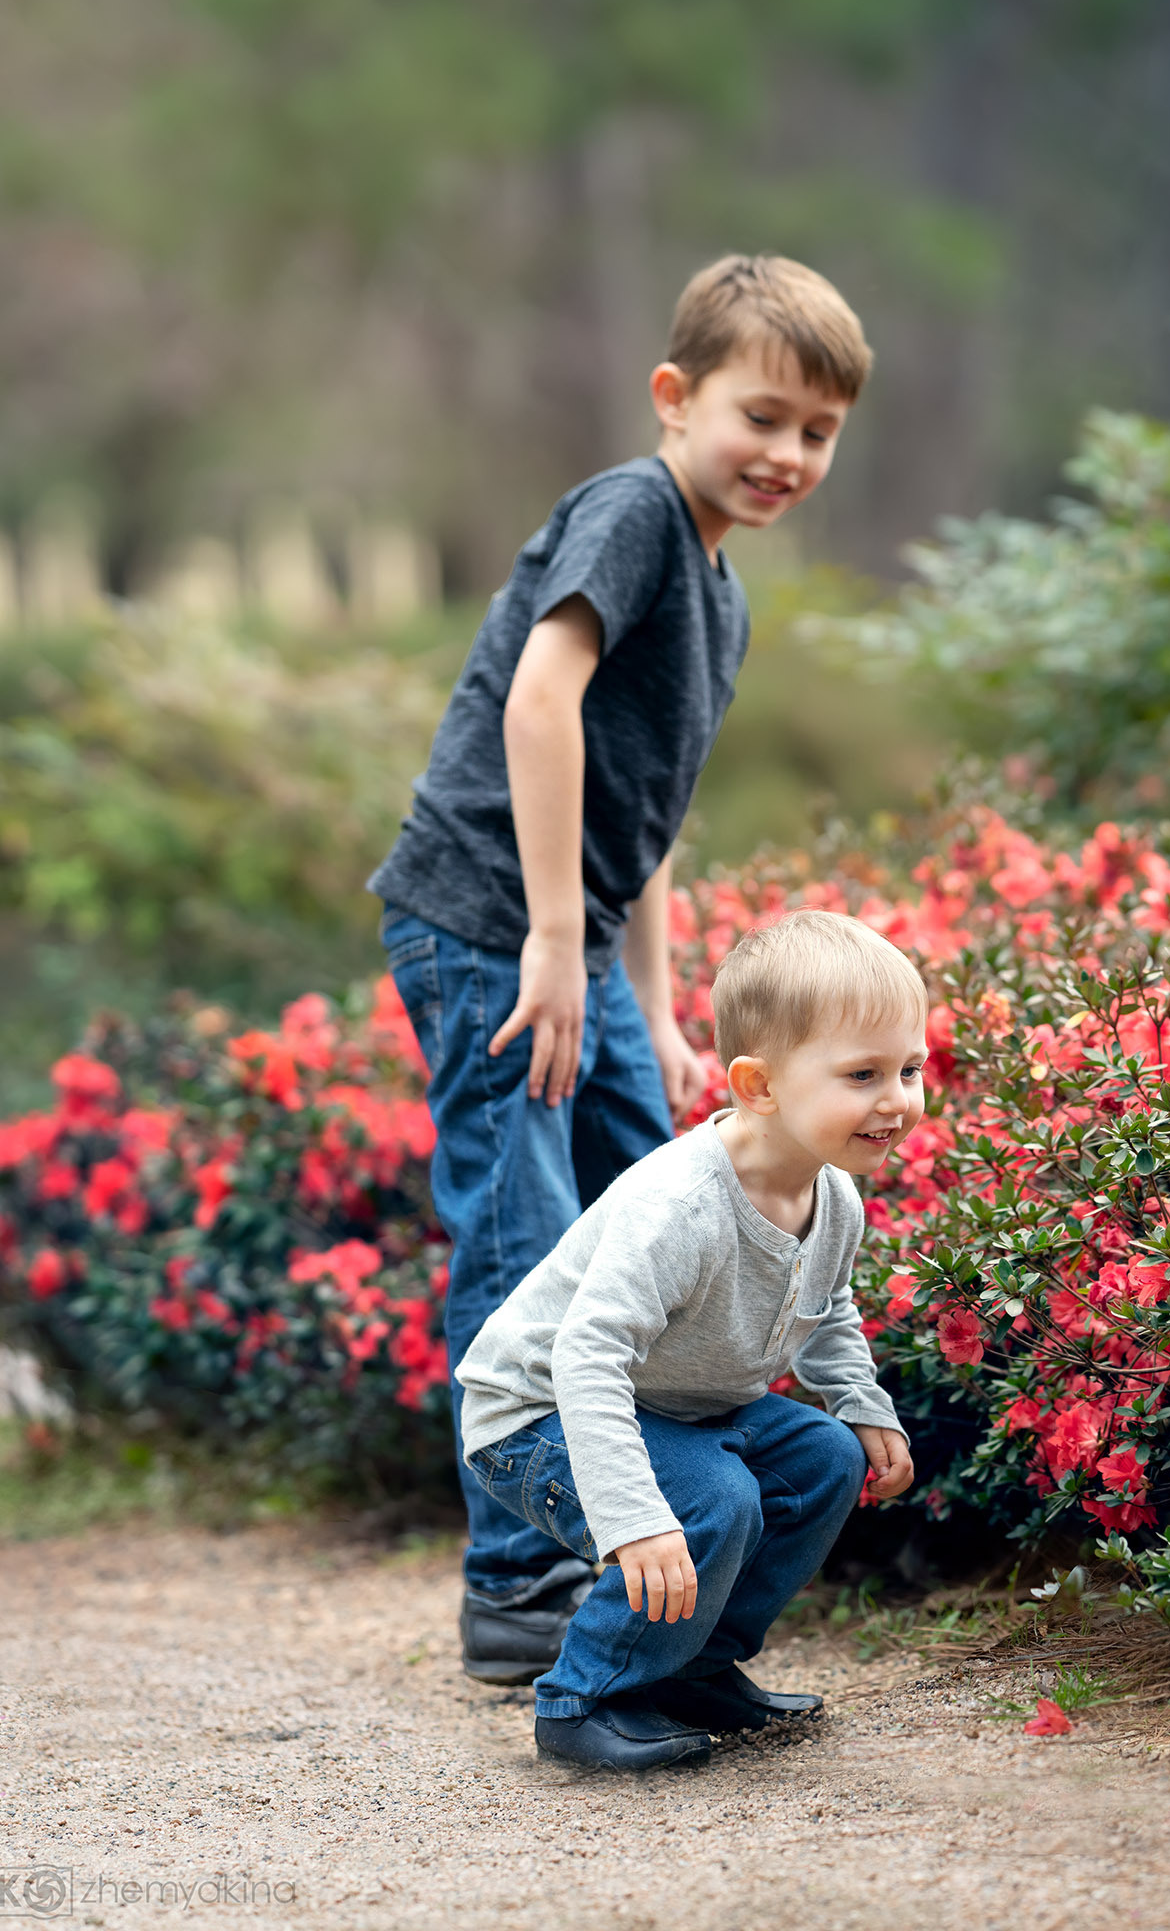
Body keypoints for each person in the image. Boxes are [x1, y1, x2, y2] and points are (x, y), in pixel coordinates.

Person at [368, 255, 873, 1684]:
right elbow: (541, 700)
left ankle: (655, 1518)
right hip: (486, 923)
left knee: (649, 1203)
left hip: (572, 935)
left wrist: (649, 997)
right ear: (675, 396)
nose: (785, 454)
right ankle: (518, 1585)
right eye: (760, 416)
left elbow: (641, 812)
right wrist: (544, 938)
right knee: (524, 1234)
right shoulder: (634, 511)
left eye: (817, 433)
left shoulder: (722, 599)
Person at [455, 910, 921, 1771]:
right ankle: (584, 1698)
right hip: (536, 1412)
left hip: (674, 1405)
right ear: (759, 1086)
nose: (895, 1098)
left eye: (909, 1068)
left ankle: (692, 1667)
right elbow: (586, 1358)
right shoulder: (681, 1207)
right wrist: (635, 1517)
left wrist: (863, 1407)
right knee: (712, 1500)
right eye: (863, 1074)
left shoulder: (833, 1196)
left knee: (822, 1461)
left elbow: (831, 1305)